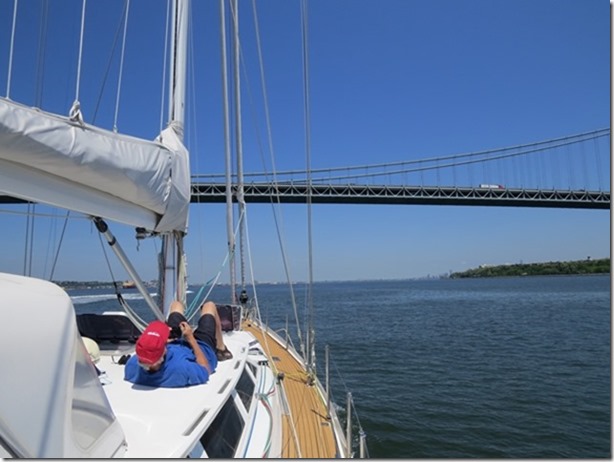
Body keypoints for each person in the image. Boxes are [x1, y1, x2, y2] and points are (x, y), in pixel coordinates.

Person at [124, 300, 233, 388]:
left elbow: (149, 355)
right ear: (163, 350)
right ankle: (221, 348)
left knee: (176, 305)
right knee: (209, 306)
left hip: (176, 343)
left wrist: (167, 339)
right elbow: (206, 369)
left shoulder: (132, 366)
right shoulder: (180, 370)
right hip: (201, 347)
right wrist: (191, 339)